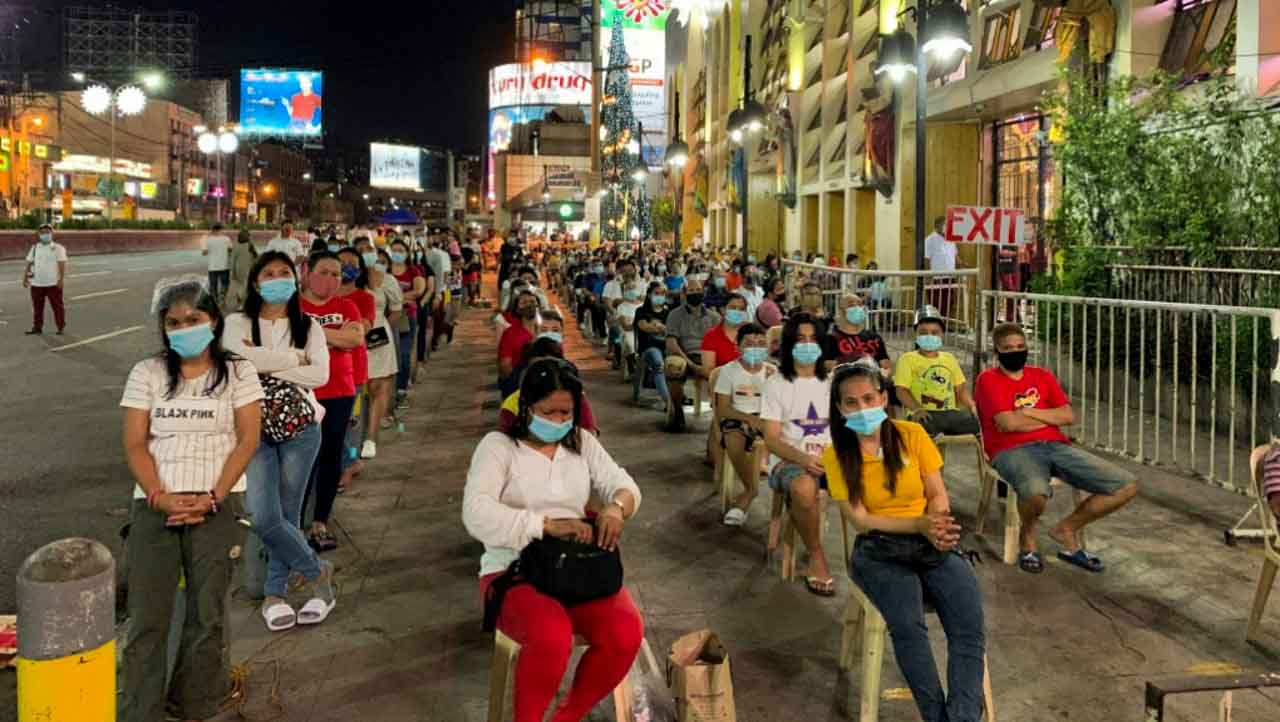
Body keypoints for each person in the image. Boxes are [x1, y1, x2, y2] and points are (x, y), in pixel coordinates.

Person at [463, 359, 643, 722]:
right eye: (550, 412)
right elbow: (475, 513)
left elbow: (625, 486)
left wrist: (615, 509)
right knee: (551, 637)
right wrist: (544, 525)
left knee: (626, 632)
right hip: (512, 571)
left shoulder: (581, 443)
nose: (559, 421)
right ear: (527, 407)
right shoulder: (498, 447)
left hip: (572, 570)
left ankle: (568, 715)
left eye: (567, 413)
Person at [119, 277, 263, 722]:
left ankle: (193, 704)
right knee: (147, 619)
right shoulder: (147, 372)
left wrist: (214, 497)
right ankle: (139, 711)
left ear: (214, 322)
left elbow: (247, 439)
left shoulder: (239, 371)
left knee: (208, 617)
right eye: (173, 322)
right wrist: (160, 497)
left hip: (217, 505)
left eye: (194, 319)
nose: (184, 328)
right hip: (155, 505)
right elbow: (136, 444)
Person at [823, 362, 986, 722]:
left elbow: (937, 492)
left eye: (869, 398)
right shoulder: (835, 454)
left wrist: (939, 525)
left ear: (884, 397)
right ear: (840, 409)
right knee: (909, 628)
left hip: (931, 539)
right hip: (879, 550)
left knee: (968, 629)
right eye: (851, 402)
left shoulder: (912, 434)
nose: (863, 408)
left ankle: (962, 717)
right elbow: (860, 519)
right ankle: (935, 716)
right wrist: (919, 524)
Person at [222, 252, 337, 631]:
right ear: (255, 282)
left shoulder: (309, 326)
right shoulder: (235, 322)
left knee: (289, 512)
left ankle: (275, 593)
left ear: (295, 278)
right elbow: (232, 366)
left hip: (302, 428)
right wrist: (292, 360)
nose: (276, 279)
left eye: (284, 273)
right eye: (268, 274)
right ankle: (318, 573)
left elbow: (319, 375)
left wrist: (259, 359)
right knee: (262, 513)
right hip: (250, 428)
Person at [974, 323, 1138, 574]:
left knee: (1125, 485)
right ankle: (1027, 536)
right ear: (996, 351)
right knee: (1035, 492)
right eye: (1008, 348)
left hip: (1055, 445)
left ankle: (1066, 529)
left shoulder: (1042, 376)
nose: (1015, 351)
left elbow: (1068, 415)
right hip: (1011, 450)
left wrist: (1027, 412)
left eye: (1020, 347)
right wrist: (1045, 418)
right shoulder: (987, 380)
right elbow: (1007, 423)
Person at [760, 312, 835, 596]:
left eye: (813, 339)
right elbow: (771, 439)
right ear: (790, 345)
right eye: (800, 339)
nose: (807, 345)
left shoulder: (831, 382)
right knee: (804, 488)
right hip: (791, 461)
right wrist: (804, 459)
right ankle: (816, 556)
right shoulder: (777, 384)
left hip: (831, 461)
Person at [299, 251, 364, 551]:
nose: (331, 279)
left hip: (339, 390)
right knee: (299, 461)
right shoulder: (293, 306)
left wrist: (310, 332)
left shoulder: (346, 305)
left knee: (330, 457)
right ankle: (295, 523)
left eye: (336, 274)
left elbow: (353, 339)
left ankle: (320, 522)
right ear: (307, 273)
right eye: (324, 272)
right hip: (300, 392)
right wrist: (333, 335)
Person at [716, 322, 775, 526]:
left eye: (760, 344)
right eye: (749, 344)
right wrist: (750, 419)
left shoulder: (772, 372)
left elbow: (782, 407)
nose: (755, 348)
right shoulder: (728, 371)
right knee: (733, 440)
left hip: (767, 418)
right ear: (738, 346)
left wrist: (773, 384)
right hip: (739, 416)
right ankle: (751, 489)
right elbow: (722, 408)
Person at [894, 306, 980, 437]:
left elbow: (961, 388)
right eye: (923, 332)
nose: (929, 336)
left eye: (935, 332)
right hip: (923, 413)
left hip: (950, 413)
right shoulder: (907, 359)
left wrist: (971, 405)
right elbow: (901, 390)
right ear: (915, 334)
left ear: (942, 335)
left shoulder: (949, 358)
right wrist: (917, 409)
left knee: (979, 424)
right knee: (926, 426)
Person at [498, 338, 600, 435]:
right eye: (539, 370)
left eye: (564, 412)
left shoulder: (576, 396)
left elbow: (590, 434)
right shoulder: (511, 404)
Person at [335, 248, 377, 488]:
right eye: (342, 262)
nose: (347, 266)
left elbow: (363, 328)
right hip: (325, 372)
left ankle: (349, 465)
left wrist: (330, 331)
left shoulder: (364, 298)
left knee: (352, 421)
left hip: (355, 371)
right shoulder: (321, 297)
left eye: (352, 263)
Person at [361, 246, 403, 459]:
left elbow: (396, 308)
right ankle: (356, 434)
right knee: (359, 386)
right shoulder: (351, 279)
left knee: (378, 385)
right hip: (353, 333)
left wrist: (381, 329)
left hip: (378, 334)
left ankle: (371, 437)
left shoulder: (387, 280)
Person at [663, 280, 721, 432]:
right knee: (673, 367)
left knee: (726, 372)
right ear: (684, 294)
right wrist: (691, 364)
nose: (695, 293)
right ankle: (677, 411)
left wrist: (709, 364)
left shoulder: (714, 317)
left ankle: (722, 417)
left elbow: (721, 341)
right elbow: (671, 343)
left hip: (708, 356)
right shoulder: (674, 315)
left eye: (698, 290)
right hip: (684, 355)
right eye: (691, 290)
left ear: (703, 292)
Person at [389, 238, 426, 408]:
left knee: (403, 354)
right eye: (394, 250)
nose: (397, 253)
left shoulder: (413, 271)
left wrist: (394, 298)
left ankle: (401, 389)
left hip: (406, 316)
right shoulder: (385, 270)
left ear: (407, 253)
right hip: (386, 317)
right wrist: (403, 296)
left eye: (400, 250)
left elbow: (418, 291)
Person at [830, 292, 891, 376]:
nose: (857, 307)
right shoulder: (832, 340)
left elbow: (886, 367)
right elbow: (829, 371)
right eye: (851, 305)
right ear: (841, 311)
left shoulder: (874, 337)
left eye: (859, 304)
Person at [21, 223, 67, 335]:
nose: (45, 234)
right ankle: (37, 327)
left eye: (47, 232)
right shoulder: (35, 248)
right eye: (42, 232)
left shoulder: (58, 248)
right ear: (38, 234)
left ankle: (60, 326)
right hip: (37, 283)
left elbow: (62, 264)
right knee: (37, 308)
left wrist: (61, 279)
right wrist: (24, 278)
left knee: (57, 306)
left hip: (53, 283)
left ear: (52, 233)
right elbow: (29, 263)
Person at [499, 289, 542, 398]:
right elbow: (505, 366)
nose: (529, 305)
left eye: (532, 302)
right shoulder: (510, 333)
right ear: (518, 310)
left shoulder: (546, 329)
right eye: (524, 303)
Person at [923, 216, 958, 318]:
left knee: (949, 303)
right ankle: (937, 325)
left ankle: (945, 326)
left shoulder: (951, 239)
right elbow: (926, 260)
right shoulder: (930, 240)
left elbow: (955, 256)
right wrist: (929, 277)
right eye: (945, 225)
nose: (947, 227)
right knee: (936, 305)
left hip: (950, 277)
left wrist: (965, 266)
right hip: (936, 278)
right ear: (937, 226)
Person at [227, 227, 259, 310]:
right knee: (246, 285)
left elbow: (233, 259)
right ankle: (242, 301)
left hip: (239, 268)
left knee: (243, 285)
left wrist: (233, 272)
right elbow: (256, 257)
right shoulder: (250, 244)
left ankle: (241, 297)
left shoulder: (236, 245)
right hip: (248, 268)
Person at [201, 223, 233, 304]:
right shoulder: (226, 239)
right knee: (225, 284)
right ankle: (223, 298)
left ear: (213, 230)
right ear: (220, 230)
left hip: (212, 267)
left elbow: (204, 253)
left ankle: (214, 301)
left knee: (213, 286)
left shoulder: (208, 240)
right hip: (224, 266)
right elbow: (230, 250)